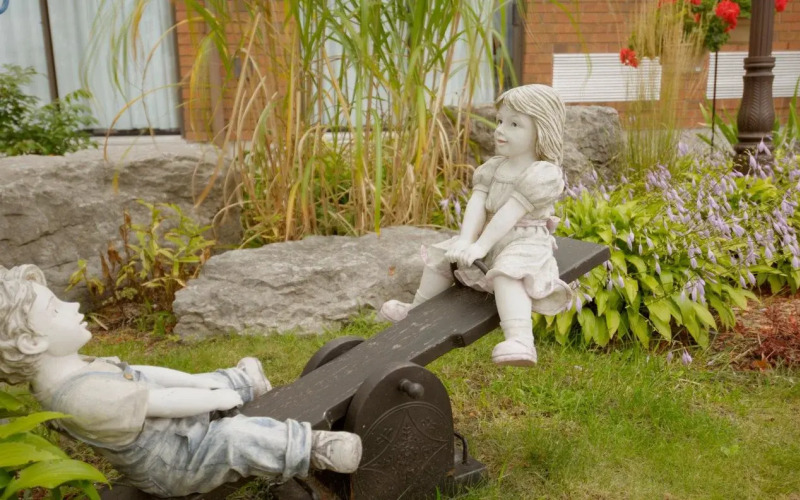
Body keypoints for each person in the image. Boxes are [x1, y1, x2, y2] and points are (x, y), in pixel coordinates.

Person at [0, 264, 362, 498]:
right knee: (233, 438)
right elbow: (162, 402)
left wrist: (200, 381)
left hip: (171, 430)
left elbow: (146, 375)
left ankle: (243, 382)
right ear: (31, 343)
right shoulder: (81, 397)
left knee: (206, 385)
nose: (73, 307)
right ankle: (311, 448)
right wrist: (214, 399)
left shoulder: (76, 369)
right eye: (55, 309)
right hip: (174, 463)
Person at [378, 84, 573, 367]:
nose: (500, 130)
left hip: (524, 240)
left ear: (541, 130)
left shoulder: (543, 174)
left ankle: (520, 339)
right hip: (488, 237)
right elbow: (478, 203)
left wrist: (481, 246)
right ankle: (416, 311)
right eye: (500, 121)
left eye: (514, 124)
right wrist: (465, 240)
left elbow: (510, 213)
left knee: (509, 272)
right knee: (440, 255)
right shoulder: (494, 167)